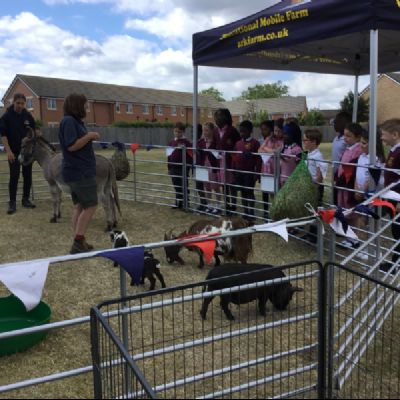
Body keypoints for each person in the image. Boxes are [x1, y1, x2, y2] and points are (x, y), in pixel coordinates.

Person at [59, 93, 100, 254]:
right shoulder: (69, 121)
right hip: (79, 172)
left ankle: (79, 240)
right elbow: (72, 146)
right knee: (91, 205)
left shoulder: (73, 121)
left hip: (76, 171)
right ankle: (77, 242)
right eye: (85, 104)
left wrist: (88, 136)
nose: (87, 107)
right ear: (77, 105)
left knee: (79, 206)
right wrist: (89, 135)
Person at [0, 93, 36, 214]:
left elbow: (34, 129)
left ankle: (25, 200)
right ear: (13, 102)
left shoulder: (27, 115)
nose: (20, 106)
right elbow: (3, 136)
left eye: (22, 103)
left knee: (28, 176)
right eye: (18, 103)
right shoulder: (6, 117)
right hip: (14, 152)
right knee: (14, 176)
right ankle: (12, 203)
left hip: (26, 152)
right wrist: (9, 151)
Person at [335, 122, 363, 249]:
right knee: (345, 211)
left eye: (349, 136)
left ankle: (354, 239)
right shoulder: (347, 149)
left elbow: (352, 169)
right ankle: (348, 236)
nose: (345, 138)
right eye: (345, 135)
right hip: (343, 186)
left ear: (357, 137)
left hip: (350, 186)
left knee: (352, 214)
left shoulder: (357, 150)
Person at [378, 119, 400, 273]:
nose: (381, 138)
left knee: (399, 230)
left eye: (383, 135)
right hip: (393, 196)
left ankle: (397, 264)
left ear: (395, 134)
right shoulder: (394, 150)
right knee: (396, 230)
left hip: (398, 198)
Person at [232, 120, 262, 221]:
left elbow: (258, 160)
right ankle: (245, 211)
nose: (242, 134)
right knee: (242, 192)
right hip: (239, 172)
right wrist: (234, 168)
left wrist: (257, 173)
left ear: (250, 131)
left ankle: (251, 212)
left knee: (249, 192)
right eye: (240, 131)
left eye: (244, 131)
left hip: (249, 173)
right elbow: (234, 156)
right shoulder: (238, 143)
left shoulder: (255, 143)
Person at [302, 128, 328, 243]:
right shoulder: (309, 154)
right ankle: (310, 233)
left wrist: (315, 186)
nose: (304, 142)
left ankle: (315, 235)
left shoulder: (317, 156)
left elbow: (320, 174)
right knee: (310, 210)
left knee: (315, 210)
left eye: (306, 140)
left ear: (313, 141)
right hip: (309, 185)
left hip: (315, 187)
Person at [214, 108, 240, 215]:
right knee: (223, 183)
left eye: (220, 116)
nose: (217, 118)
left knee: (232, 183)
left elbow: (238, 144)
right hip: (220, 161)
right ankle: (226, 203)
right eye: (216, 116)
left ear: (226, 117)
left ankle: (233, 205)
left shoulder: (232, 130)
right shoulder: (216, 131)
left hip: (230, 161)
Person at [258, 119, 284, 219]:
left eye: (278, 131)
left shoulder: (282, 141)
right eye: (275, 131)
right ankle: (273, 212)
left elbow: (277, 151)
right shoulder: (269, 139)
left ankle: (279, 213)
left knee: (277, 192)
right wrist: (268, 144)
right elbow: (259, 149)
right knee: (270, 192)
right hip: (267, 169)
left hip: (276, 169)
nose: (276, 133)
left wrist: (267, 150)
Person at [167, 122, 193, 209]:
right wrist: (169, 167)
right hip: (173, 167)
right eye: (175, 131)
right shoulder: (171, 142)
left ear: (183, 132)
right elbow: (169, 156)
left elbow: (190, 155)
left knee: (184, 185)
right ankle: (178, 203)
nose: (177, 133)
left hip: (183, 168)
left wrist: (188, 166)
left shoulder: (186, 143)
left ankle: (186, 203)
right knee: (176, 186)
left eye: (179, 132)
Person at [198, 122, 221, 214]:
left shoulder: (216, 142)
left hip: (213, 166)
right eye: (203, 130)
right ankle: (209, 205)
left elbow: (219, 153)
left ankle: (218, 205)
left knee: (215, 187)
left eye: (207, 130)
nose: (205, 132)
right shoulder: (201, 142)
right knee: (207, 187)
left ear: (212, 131)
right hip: (204, 166)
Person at [332, 111, 352, 203]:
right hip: (335, 173)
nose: (334, 125)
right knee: (335, 198)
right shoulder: (336, 138)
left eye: (336, 123)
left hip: (344, 174)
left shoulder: (346, 140)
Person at [279, 121, 302, 187]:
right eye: (283, 133)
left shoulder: (297, 150)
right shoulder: (284, 147)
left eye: (286, 134)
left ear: (293, 135)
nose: (284, 136)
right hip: (282, 181)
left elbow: (299, 168)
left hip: (292, 183)